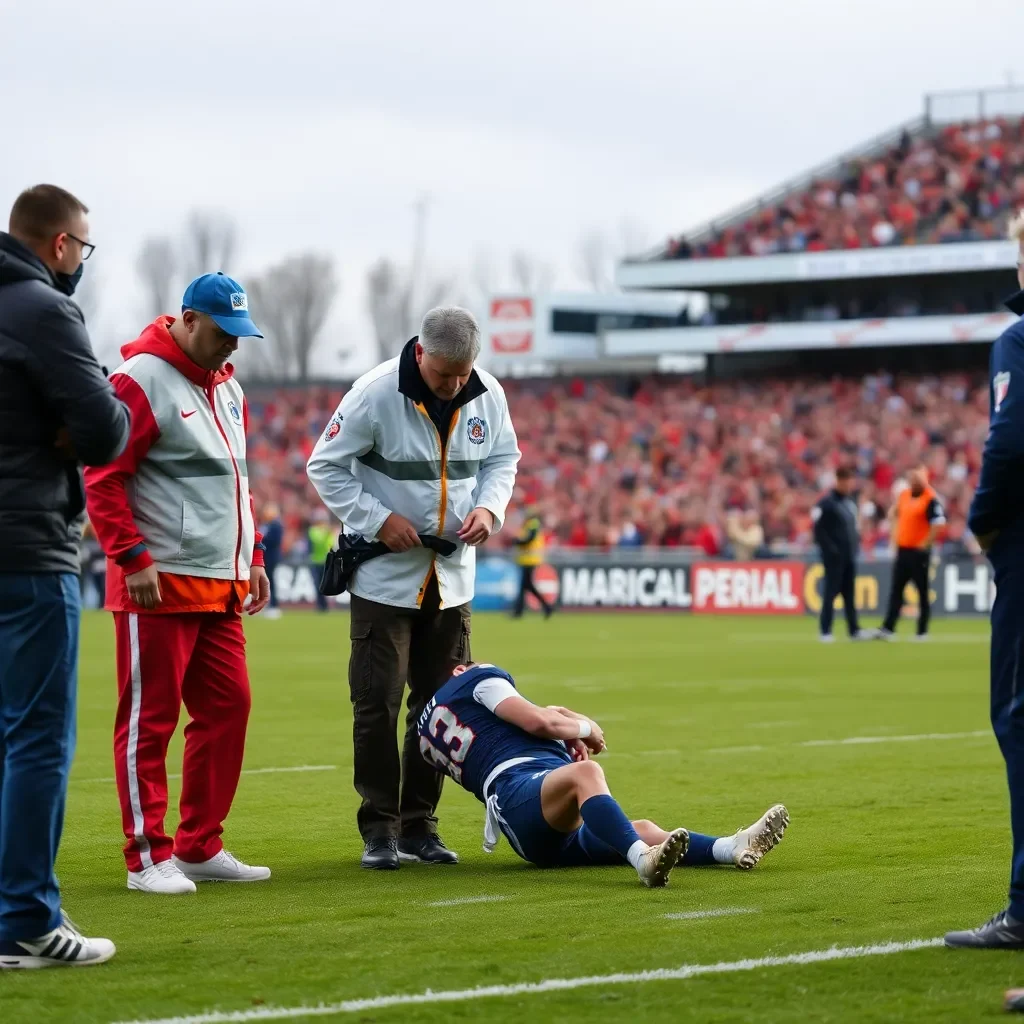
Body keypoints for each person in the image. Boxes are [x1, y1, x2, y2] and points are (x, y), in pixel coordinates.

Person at [307, 306, 520, 870]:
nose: (454, 384)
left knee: (442, 707)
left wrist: (490, 509)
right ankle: (379, 830)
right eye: (445, 373)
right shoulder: (373, 394)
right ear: (420, 353)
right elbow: (324, 465)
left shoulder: (488, 393)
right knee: (376, 703)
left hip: (452, 580)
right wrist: (378, 519)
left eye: (463, 374)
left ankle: (420, 826)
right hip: (384, 578)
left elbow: (504, 458)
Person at [84, 273, 272, 896]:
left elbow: (238, 486)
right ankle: (146, 858)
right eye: (224, 334)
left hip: (220, 582)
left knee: (230, 707)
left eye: (240, 336)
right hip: (157, 583)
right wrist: (132, 557)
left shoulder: (229, 388)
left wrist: (255, 558)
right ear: (189, 320)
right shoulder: (138, 381)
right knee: (149, 721)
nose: (233, 347)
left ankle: (197, 845)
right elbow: (103, 476)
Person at [0, 184, 130, 967]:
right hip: (27, 546)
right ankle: (23, 920)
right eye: (82, 247)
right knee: (38, 737)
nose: (82, 259)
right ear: (58, 245)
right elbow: (108, 427)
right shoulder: (45, 310)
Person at [417, 662, 789, 885]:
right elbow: (539, 720)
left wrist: (563, 728)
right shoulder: (476, 677)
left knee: (642, 827)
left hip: (532, 814)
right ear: (459, 670)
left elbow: (526, 725)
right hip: (520, 795)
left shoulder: (428, 733)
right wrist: (586, 729)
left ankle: (730, 847)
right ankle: (644, 862)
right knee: (586, 773)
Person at [946, 213, 1024, 949]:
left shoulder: (1019, 339)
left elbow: (1009, 442)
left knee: (1020, 716)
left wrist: (984, 523)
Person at [877, 465, 944, 641]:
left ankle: (922, 630)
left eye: (917, 478)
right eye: (911, 478)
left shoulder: (930, 498)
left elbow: (938, 523)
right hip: (903, 550)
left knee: (922, 591)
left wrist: (926, 544)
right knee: (896, 590)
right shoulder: (904, 495)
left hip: (918, 552)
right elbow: (894, 514)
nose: (914, 481)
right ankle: (888, 627)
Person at [811, 467, 873, 643]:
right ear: (838, 481)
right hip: (834, 558)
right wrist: (830, 551)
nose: (848, 485)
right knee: (830, 593)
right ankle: (825, 630)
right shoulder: (826, 503)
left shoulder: (849, 502)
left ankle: (853, 629)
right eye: (845, 481)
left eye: (850, 481)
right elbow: (819, 531)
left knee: (849, 594)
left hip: (849, 556)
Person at [512, 508, 552, 619]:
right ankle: (519, 611)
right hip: (527, 560)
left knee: (527, 585)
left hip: (531, 560)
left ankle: (546, 607)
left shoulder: (533, 524)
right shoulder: (530, 524)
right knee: (525, 586)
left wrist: (517, 541)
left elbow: (529, 539)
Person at [307, 509, 337, 613]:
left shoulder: (322, 531)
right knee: (318, 584)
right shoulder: (314, 531)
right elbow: (321, 542)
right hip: (316, 561)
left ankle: (323, 605)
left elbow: (330, 544)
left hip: (324, 561)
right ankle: (321, 605)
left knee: (322, 584)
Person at [260, 503, 284, 620]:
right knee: (265, 582)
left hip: (271, 557)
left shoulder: (276, 526)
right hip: (265, 557)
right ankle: (266, 605)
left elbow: (274, 541)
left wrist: (262, 539)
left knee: (270, 582)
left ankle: (274, 605)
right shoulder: (266, 525)